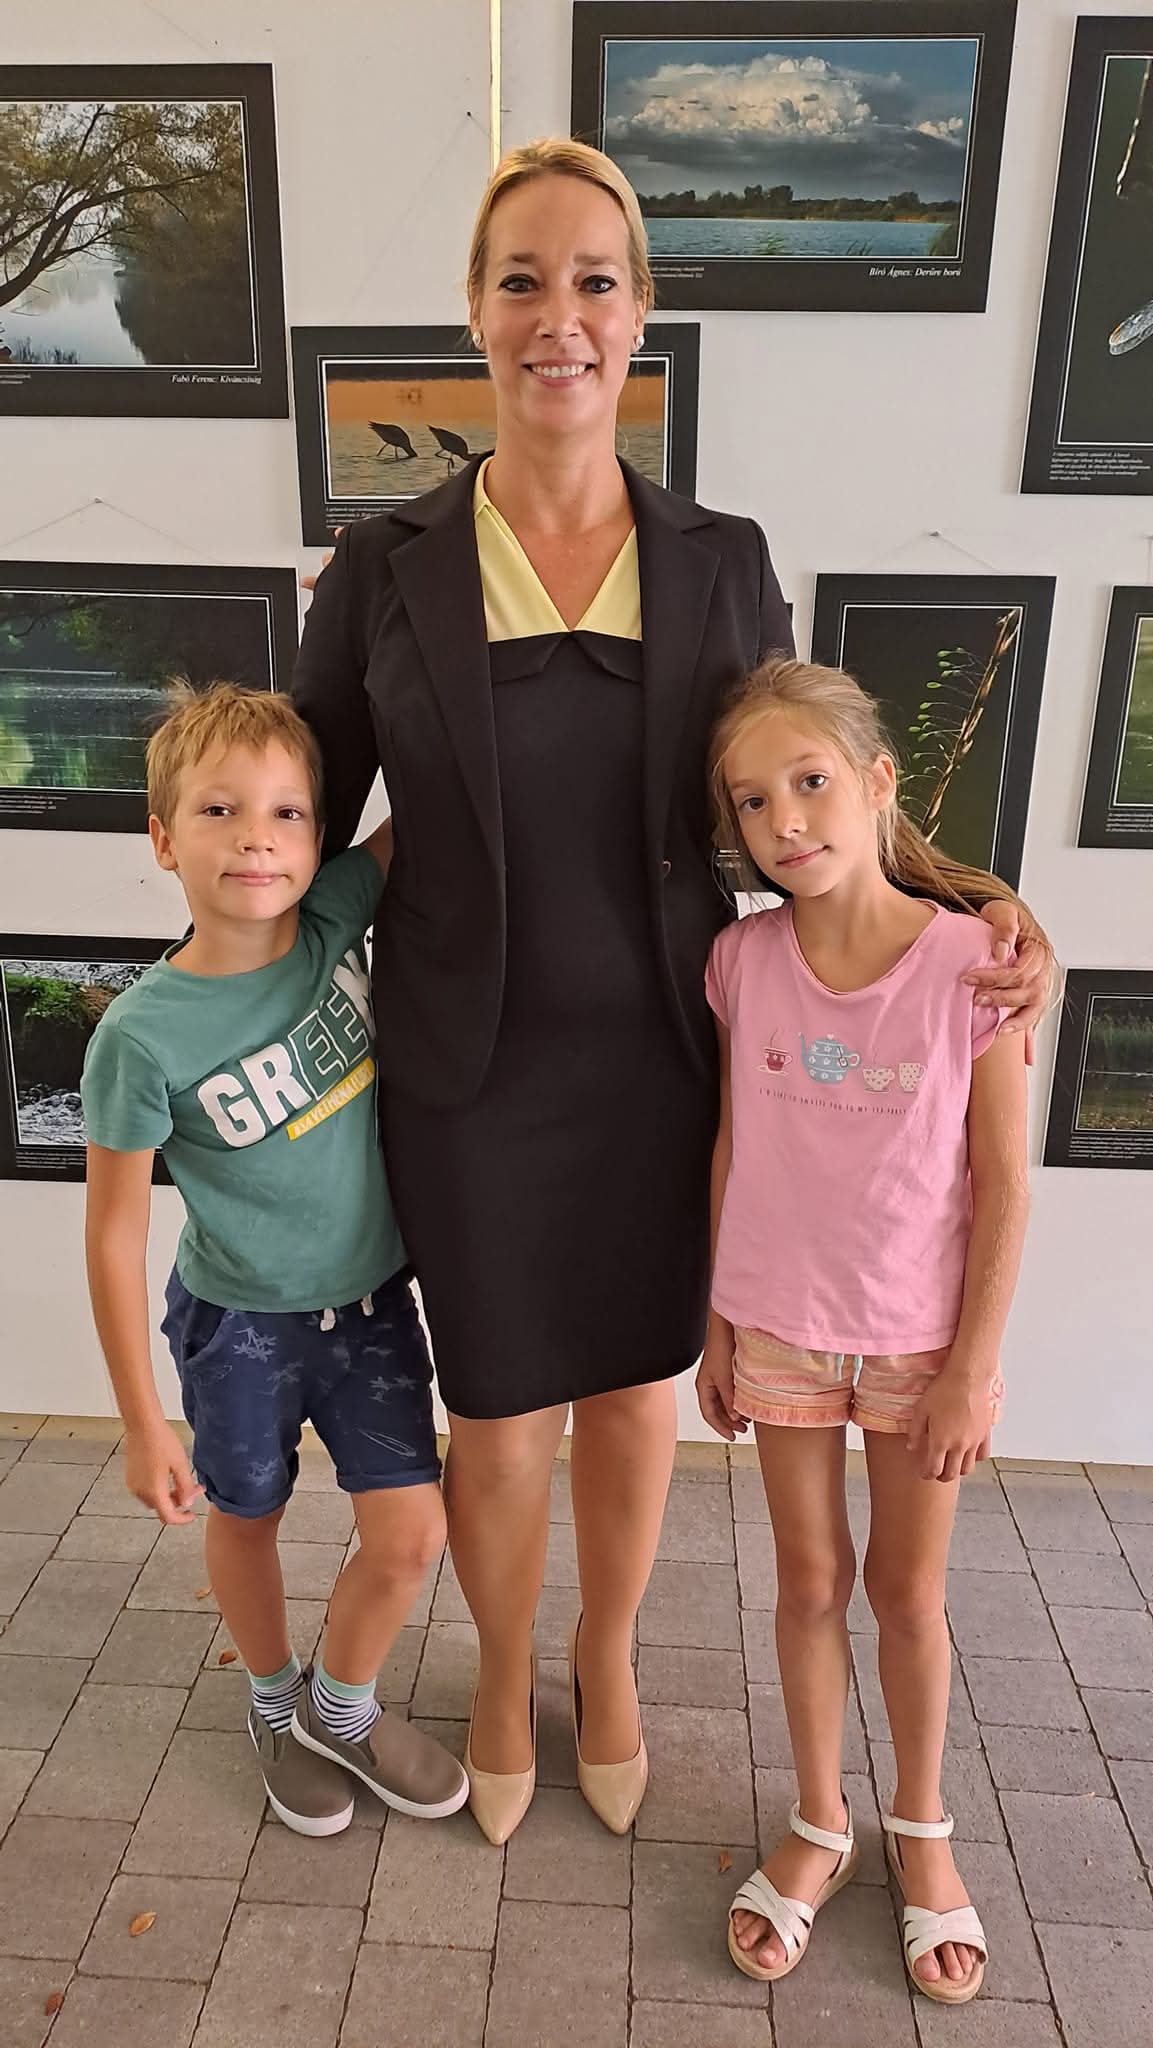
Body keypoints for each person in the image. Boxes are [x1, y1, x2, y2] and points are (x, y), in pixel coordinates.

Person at [291, 138, 1052, 1846]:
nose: (555, 316)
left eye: (591, 282)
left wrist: (976, 900)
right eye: (521, 282)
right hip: (465, 1073)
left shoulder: (720, 555)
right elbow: (302, 822)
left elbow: (802, 789)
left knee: (635, 1395)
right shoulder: (384, 563)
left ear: (638, 314)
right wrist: (207, 991)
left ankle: (608, 1654)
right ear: (475, 313)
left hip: (663, 1058)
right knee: (497, 1412)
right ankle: (504, 1673)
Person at [698, 657, 1033, 2004]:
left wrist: (972, 1367)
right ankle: (821, 1819)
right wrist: (719, 1322)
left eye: (810, 781)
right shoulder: (739, 961)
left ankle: (921, 1826)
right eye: (752, 801)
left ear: (879, 781)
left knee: (905, 1592)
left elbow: (1004, 1180)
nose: (783, 820)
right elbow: (734, 1145)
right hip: (778, 1328)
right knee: (806, 1581)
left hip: (917, 1348)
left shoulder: (975, 964)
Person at [81, 684, 467, 1837]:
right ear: (163, 838)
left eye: (287, 812)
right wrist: (141, 1421)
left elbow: (437, 794)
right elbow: (113, 1230)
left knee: (412, 1534)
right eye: (220, 809)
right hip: (238, 1325)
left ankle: (338, 1709)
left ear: (316, 833)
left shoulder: (339, 907)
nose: (257, 836)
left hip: (372, 1308)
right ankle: (269, 1701)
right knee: (246, 1514)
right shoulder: (140, 1035)